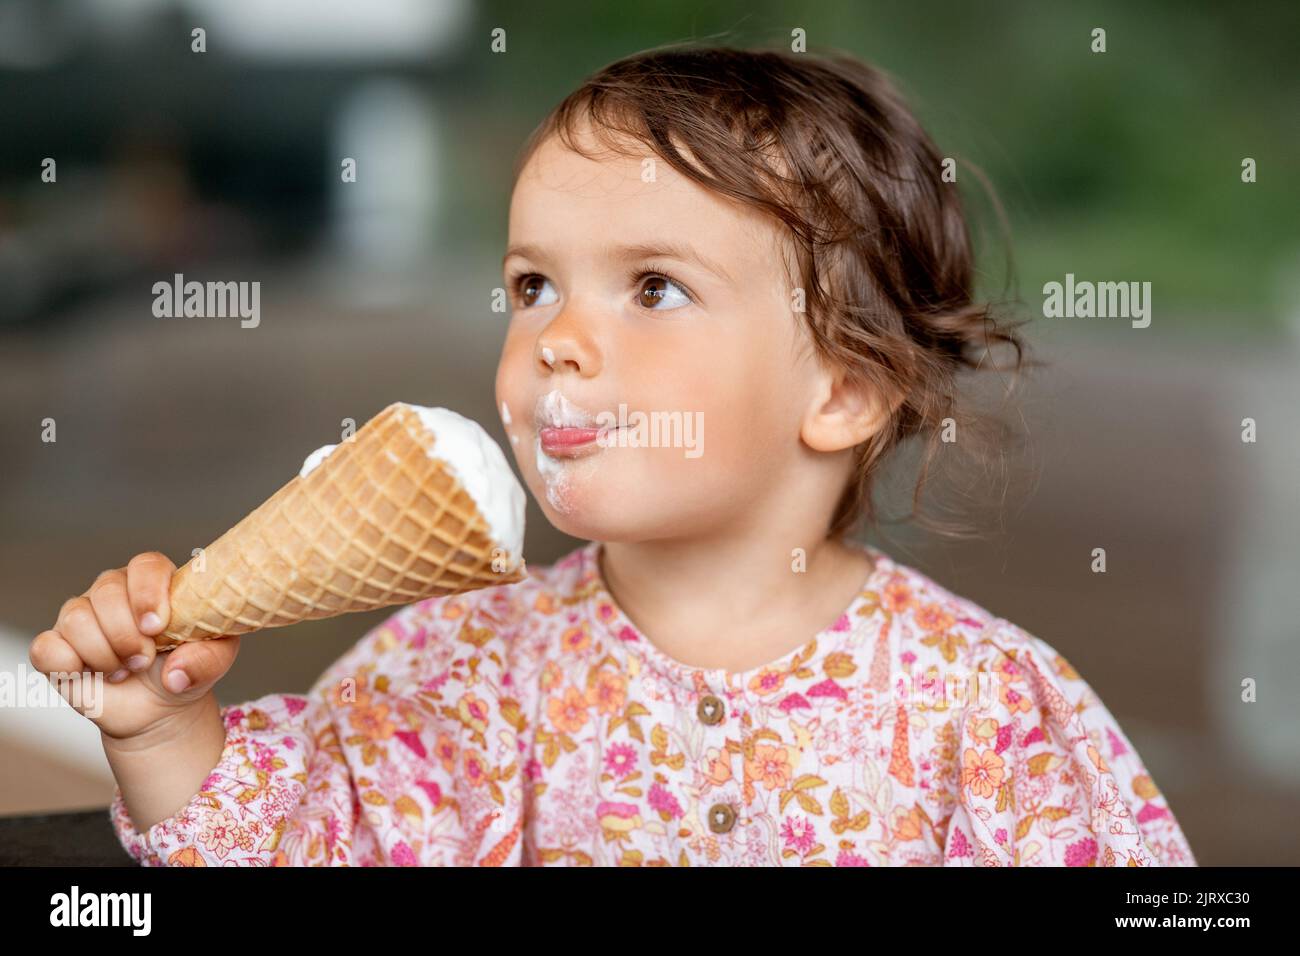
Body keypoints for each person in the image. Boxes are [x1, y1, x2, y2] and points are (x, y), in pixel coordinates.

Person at [30, 44, 1195, 866]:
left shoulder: (989, 711)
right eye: (532, 284)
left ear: (841, 388)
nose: (558, 343)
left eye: (653, 287)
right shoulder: (451, 665)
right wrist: (164, 732)